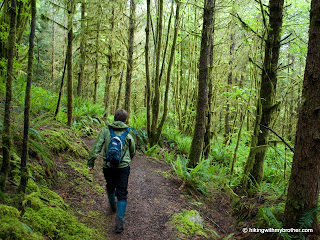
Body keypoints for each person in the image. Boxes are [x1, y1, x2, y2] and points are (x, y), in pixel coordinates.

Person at [87, 109, 136, 233]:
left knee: (110, 186)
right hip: (123, 167)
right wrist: (127, 160)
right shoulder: (129, 132)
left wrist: (91, 162)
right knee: (122, 193)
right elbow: (133, 150)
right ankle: (119, 223)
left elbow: (97, 146)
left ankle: (112, 204)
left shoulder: (105, 130)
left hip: (108, 166)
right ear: (125, 120)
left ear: (114, 118)